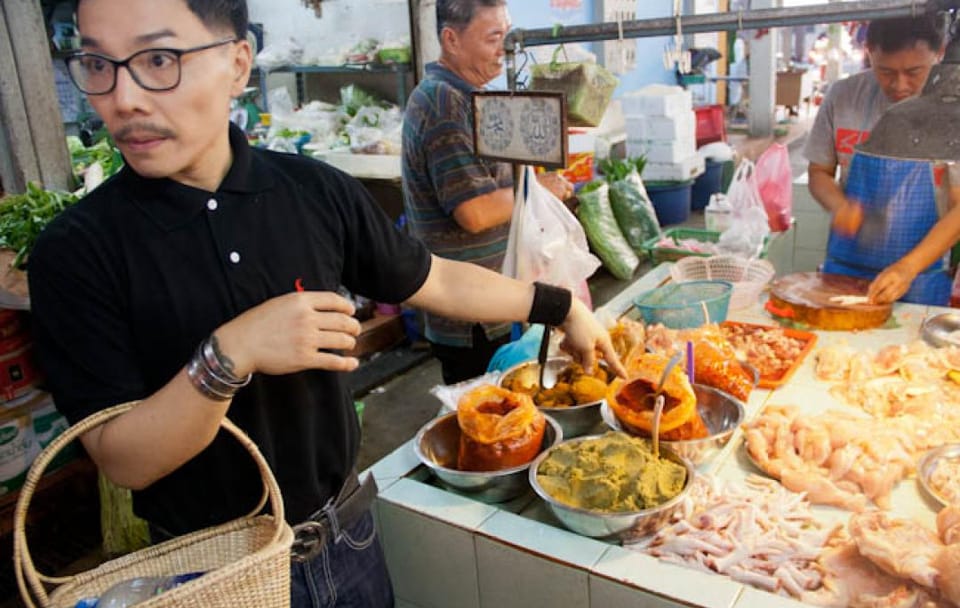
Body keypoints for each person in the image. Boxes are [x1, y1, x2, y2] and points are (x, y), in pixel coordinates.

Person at [28, 1, 624, 607]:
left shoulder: (311, 191)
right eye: (98, 63)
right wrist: (230, 353)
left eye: (158, 59)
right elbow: (124, 459)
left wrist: (561, 307)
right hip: (210, 575)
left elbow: (435, 280)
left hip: (345, 536)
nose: (123, 98)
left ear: (237, 64)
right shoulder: (77, 252)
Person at [401, 0, 574, 385]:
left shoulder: (467, 95)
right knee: (488, 417)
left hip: (493, 299)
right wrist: (537, 190)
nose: (505, 49)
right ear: (451, 39)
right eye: (494, 38)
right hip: (470, 314)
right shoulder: (444, 103)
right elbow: (474, 212)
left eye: (508, 36)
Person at [803, 14, 960, 305]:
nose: (899, 84)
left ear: (940, 53)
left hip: (920, 274)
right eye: (885, 71)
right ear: (869, 52)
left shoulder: (951, 111)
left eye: (914, 71)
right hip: (846, 265)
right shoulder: (845, 96)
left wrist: (908, 267)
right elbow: (819, 172)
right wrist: (840, 207)